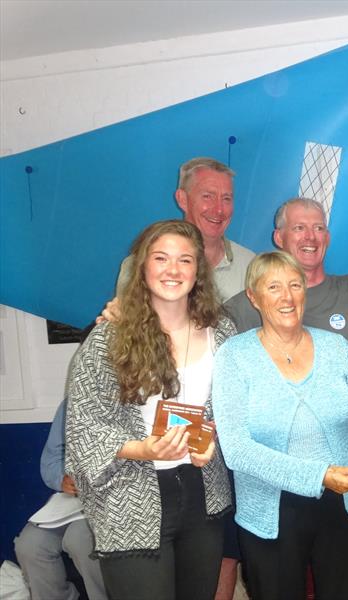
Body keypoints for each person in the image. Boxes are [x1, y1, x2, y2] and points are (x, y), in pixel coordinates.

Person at [66, 220, 235, 600]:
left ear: (198, 271)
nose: (173, 270)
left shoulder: (223, 332)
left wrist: (213, 435)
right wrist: (142, 449)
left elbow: (239, 407)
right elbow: (83, 426)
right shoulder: (109, 337)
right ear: (143, 267)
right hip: (131, 495)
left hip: (203, 493)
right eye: (161, 258)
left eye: (185, 260)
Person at [212, 251, 348, 600]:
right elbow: (237, 450)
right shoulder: (233, 356)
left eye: (295, 285)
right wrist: (318, 476)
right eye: (273, 287)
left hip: (342, 503)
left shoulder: (337, 349)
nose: (286, 297)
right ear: (253, 297)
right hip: (270, 509)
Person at [224, 197, 348, 349]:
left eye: (318, 228)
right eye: (299, 228)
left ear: (327, 238)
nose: (310, 236)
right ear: (279, 238)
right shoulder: (250, 303)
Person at [110, 157, 255, 305]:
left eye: (226, 199)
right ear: (182, 199)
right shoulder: (138, 265)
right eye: (207, 196)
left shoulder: (252, 266)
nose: (218, 209)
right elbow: (129, 323)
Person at [15, 400, 107, 600]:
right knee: (30, 545)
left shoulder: (135, 401)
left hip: (110, 499)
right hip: (71, 500)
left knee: (80, 540)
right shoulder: (71, 404)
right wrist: (61, 479)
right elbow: (52, 458)